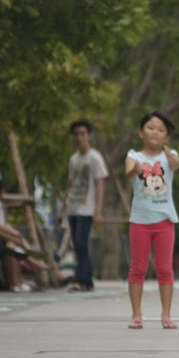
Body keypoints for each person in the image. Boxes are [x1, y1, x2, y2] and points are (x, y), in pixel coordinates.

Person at [125, 112, 179, 330]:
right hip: (139, 219)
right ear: (141, 133)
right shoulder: (134, 156)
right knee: (138, 268)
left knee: (165, 268)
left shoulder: (170, 155)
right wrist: (135, 169)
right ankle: (136, 314)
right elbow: (128, 173)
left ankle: (166, 315)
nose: (155, 132)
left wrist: (167, 153)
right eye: (150, 127)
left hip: (164, 219)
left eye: (160, 129)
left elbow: (175, 165)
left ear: (166, 136)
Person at [58, 120, 109, 292]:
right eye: (76, 134)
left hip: (87, 208)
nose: (80, 138)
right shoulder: (74, 159)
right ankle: (85, 280)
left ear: (89, 135)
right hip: (73, 207)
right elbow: (70, 184)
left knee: (81, 243)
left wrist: (98, 211)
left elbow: (100, 184)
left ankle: (83, 280)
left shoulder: (95, 158)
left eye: (83, 134)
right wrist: (62, 209)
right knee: (77, 244)